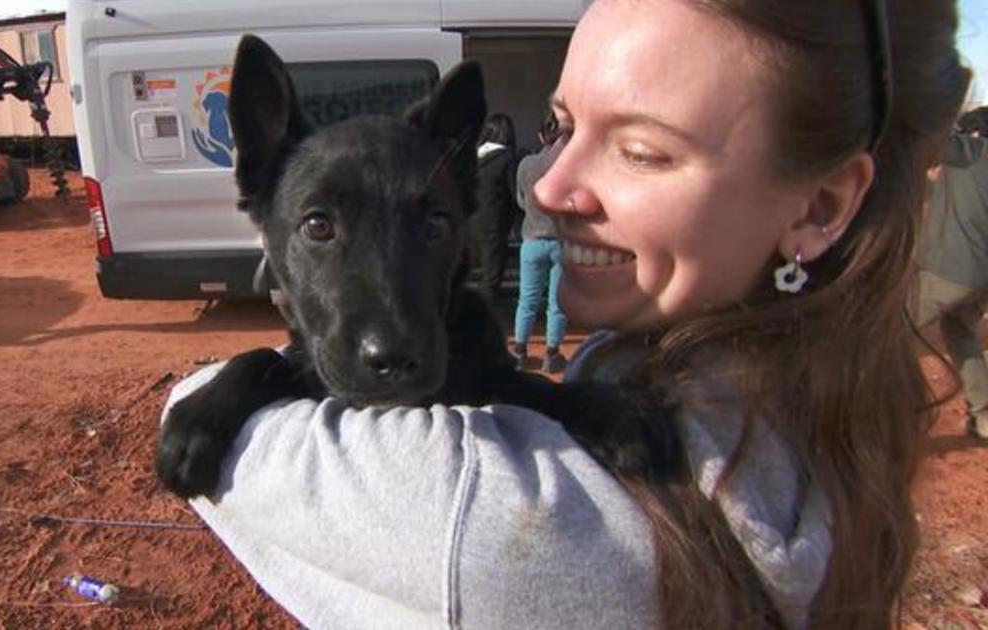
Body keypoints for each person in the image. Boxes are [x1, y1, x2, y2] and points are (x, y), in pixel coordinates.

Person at [162, 1, 968, 628]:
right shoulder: (825, 399)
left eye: (644, 150)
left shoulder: (497, 515)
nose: (545, 188)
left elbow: (187, 424)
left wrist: (251, 373)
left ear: (820, 204)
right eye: (565, 126)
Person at [915, 118, 988, 441]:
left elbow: (924, 137)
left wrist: (952, 126)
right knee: (960, 333)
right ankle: (985, 418)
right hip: (982, 281)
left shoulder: (972, 152)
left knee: (882, 329)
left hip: (950, 273)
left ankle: (864, 418)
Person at [512, 114, 568, 373]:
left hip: (532, 238)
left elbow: (521, 201)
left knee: (527, 299)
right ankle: (552, 354)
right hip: (563, 240)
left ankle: (520, 350)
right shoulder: (569, 164)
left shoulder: (526, 164)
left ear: (540, 136)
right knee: (557, 302)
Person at [469, 113, 520, 302]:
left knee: (475, 275)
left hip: (471, 224)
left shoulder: (474, 159)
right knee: (492, 277)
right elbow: (515, 194)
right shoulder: (507, 159)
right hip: (494, 226)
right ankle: (479, 320)